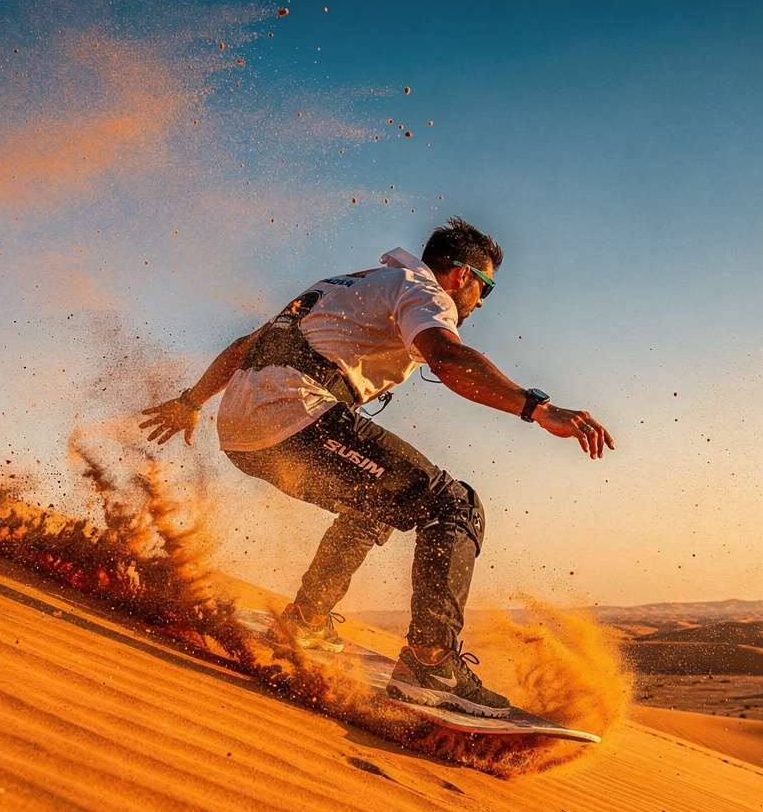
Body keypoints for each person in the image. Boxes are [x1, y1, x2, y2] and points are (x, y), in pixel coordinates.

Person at [139, 217, 614, 717]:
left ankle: (307, 618)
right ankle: (430, 666)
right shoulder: (425, 291)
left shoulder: (346, 284)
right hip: (293, 412)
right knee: (453, 503)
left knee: (380, 503)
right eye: (486, 288)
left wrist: (191, 400)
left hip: (242, 432)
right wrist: (537, 407)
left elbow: (245, 347)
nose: (481, 303)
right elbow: (448, 360)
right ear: (460, 276)